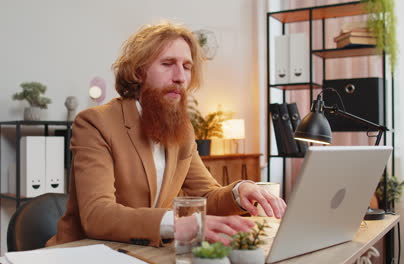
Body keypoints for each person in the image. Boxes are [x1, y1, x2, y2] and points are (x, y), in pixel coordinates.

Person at [47, 21, 286, 248]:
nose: (180, 77)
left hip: (143, 252)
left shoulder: (182, 129)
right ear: (139, 72)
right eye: (167, 63)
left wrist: (238, 191)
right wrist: (177, 224)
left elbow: (205, 195)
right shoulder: (95, 123)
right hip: (85, 252)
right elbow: (98, 215)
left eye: (187, 66)